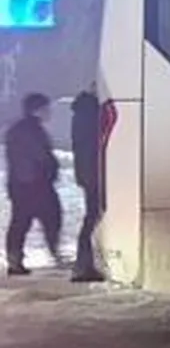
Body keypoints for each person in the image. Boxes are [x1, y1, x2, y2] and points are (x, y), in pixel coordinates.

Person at [5, 93, 61, 276]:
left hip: (24, 184)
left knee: (22, 222)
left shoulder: (22, 128)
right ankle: (50, 253)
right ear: (38, 109)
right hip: (32, 184)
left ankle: (16, 259)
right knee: (41, 218)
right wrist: (50, 170)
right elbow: (40, 156)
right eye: (47, 108)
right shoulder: (30, 130)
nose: (49, 112)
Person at [69, 86, 104, 282]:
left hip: (88, 173)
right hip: (93, 173)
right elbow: (90, 148)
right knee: (92, 217)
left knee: (92, 217)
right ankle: (83, 266)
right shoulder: (89, 112)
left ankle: (84, 264)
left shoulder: (82, 112)